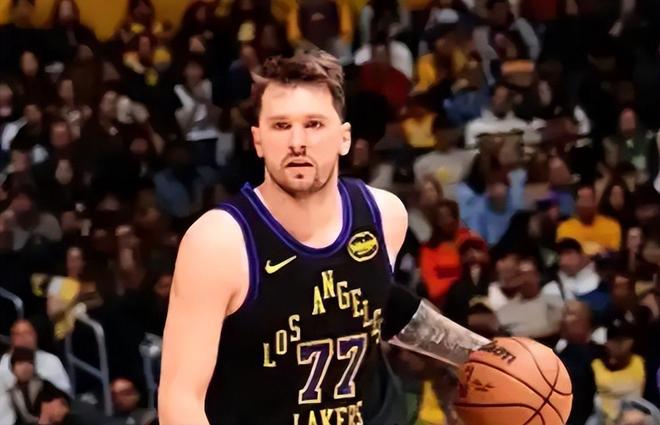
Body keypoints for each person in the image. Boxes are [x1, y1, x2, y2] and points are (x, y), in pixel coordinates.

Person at [159, 50, 489, 425]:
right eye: (281, 126)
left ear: (344, 138)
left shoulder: (384, 215)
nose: (297, 141)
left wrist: (483, 354)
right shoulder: (218, 241)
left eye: (314, 124)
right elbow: (179, 402)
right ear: (258, 140)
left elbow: (375, 302)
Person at [557, 184, 622, 255]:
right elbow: (564, 254)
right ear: (576, 205)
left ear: (595, 203)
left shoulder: (611, 225)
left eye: (589, 200)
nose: (586, 205)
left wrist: (603, 251)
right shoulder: (564, 228)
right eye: (582, 200)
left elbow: (614, 253)